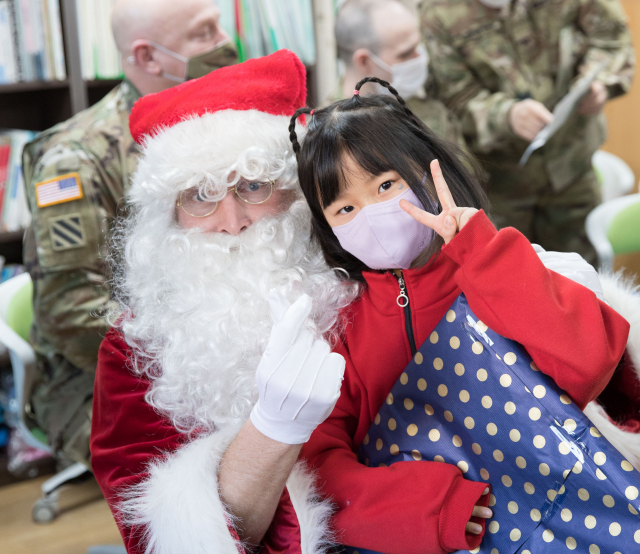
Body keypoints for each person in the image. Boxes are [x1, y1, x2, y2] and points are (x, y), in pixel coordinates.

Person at [90, 52, 609, 553]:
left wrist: (519, 273)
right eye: (198, 195)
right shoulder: (134, 350)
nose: (232, 220)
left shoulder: (359, 287)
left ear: (300, 199)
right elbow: (159, 536)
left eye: (253, 186)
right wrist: (273, 428)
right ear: (167, 216)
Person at [288, 78, 633, 553]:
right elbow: (317, 463)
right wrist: (428, 506)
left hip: (568, 517)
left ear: (430, 172)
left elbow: (589, 364)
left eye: (386, 184)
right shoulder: (339, 327)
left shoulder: (505, 263)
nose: (370, 213)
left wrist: (482, 253)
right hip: (424, 539)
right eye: (344, 207)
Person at [21, 0, 237, 467]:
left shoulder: (221, 125)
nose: (225, 42)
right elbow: (70, 311)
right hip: (104, 372)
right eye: (204, 34)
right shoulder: (75, 160)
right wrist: (195, 356)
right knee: (219, 464)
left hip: (224, 336)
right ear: (148, 57)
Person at [418, 0, 635, 263]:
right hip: (500, 186)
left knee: (584, 275)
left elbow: (610, 39)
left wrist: (598, 82)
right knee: (512, 279)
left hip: (573, 168)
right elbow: (451, 100)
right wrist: (505, 115)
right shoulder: (436, 13)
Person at [333, 0, 465, 147]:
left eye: (418, 46)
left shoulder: (430, 114)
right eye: (406, 53)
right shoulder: (327, 134)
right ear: (364, 61)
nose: (420, 57)